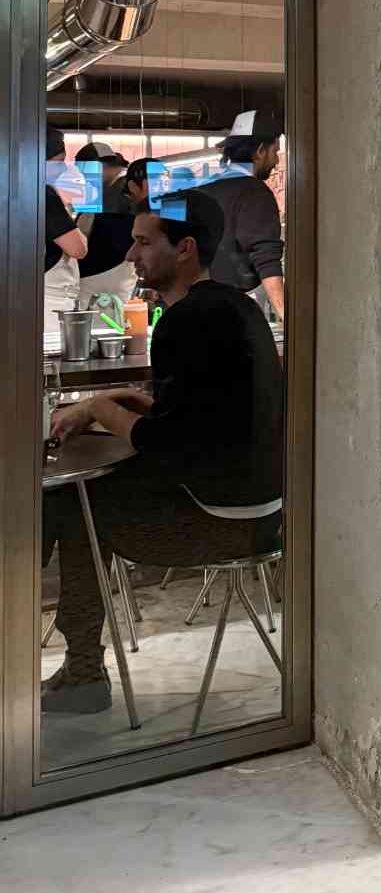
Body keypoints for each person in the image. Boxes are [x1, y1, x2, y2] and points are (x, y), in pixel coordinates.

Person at [42, 189, 285, 714]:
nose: (130, 255)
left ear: (185, 249)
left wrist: (102, 409)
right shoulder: (236, 307)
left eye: (144, 242)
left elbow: (171, 448)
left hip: (219, 524)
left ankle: (82, 673)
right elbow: (207, 420)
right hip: (267, 518)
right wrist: (129, 400)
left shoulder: (184, 322)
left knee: (73, 504)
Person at [203, 109, 285, 321]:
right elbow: (266, 259)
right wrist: (287, 316)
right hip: (235, 312)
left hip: (203, 306)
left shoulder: (205, 189)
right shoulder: (255, 193)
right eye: (275, 151)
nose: (276, 160)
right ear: (260, 151)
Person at [75, 142, 137, 306]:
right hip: (110, 274)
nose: (85, 178)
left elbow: (84, 231)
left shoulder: (121, 191)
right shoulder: (110, 190)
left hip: (105, 274)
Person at [44, 126, 87, 337]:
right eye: (59, 162)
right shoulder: (45, 195)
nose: (62, 169)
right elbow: (78, 249)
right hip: (50, 302)